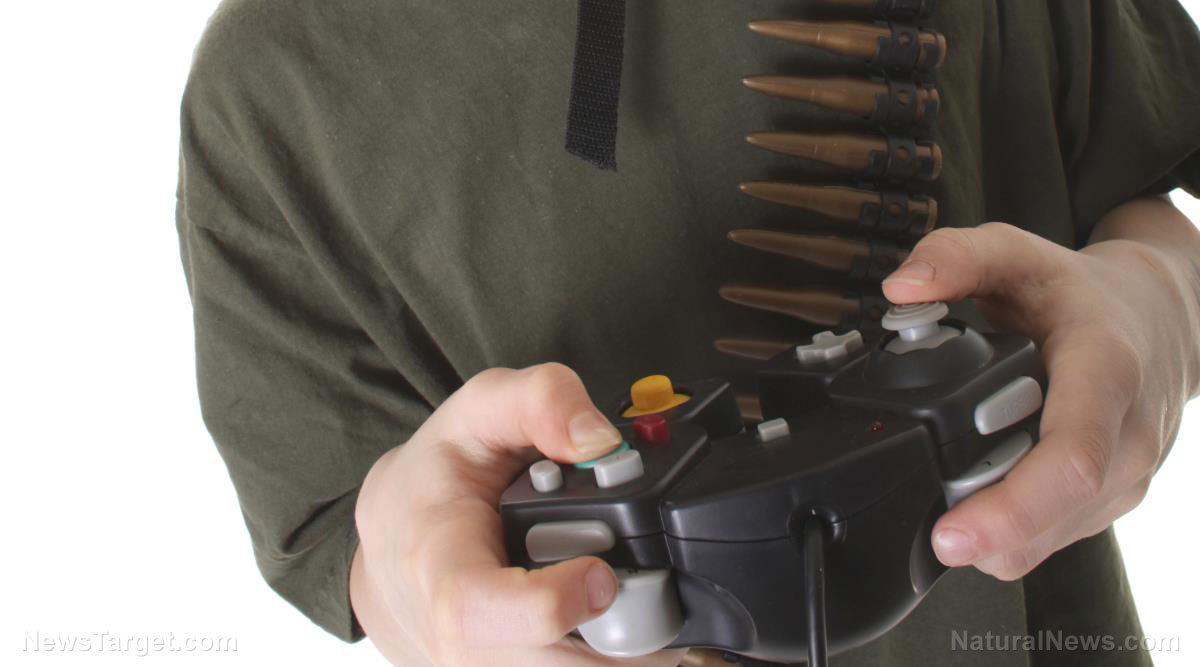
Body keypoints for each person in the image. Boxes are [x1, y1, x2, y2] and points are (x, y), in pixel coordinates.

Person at [175, 0, 1200, 665]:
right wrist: (415, 585)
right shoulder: (276, 86)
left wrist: (1158, 301)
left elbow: (1142, 180)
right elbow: (351, 540)